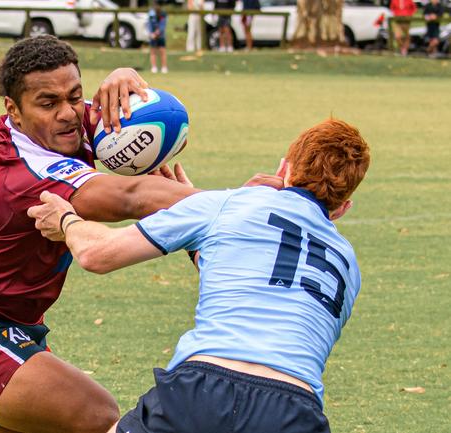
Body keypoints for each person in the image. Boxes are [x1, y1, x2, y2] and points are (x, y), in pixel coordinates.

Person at [0, 35, 205, 433]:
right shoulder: (23, 173)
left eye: (75, 96)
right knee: (96, 413)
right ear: (13, 109)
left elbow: (119, 109)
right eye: (48, 103)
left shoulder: (51, 128)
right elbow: (130, 197)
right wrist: (236, 202)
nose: (68, 114)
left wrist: (124, 77)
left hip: (12, 328)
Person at [28, 118, 371, 433]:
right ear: (343, 207)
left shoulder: (228, 205)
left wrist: (65, 220)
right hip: (296, 411)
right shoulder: (349, 266)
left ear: (285, 169)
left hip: (204, 390)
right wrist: (197, 231)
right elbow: (265, 284)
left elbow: (96, 254)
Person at [148, 2, 168, 73]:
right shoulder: (151, 13)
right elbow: (149, 24)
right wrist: (151, 34)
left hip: (161, 36)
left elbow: (163, 25)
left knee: (162, 52)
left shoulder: (163, 14)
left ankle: (164, 67)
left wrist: (157, 33)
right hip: (152, 36)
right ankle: (154, 67)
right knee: (153, 52)